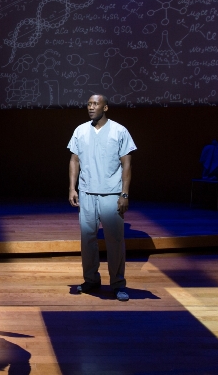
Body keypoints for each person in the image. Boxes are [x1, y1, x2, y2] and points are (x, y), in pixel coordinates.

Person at [68, 94, 136, 301]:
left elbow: (127, 164)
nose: (91, 107)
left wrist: (124, 194)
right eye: (89, 104)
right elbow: (74, 160)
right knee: (87, 239)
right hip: (87, 192)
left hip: (111, 193)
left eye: (95, 104)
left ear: (105, 107)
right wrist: (72, 188)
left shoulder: (119, 131)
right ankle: (91, 279)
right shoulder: (80, 130)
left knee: (114, 240)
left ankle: (118, 283)